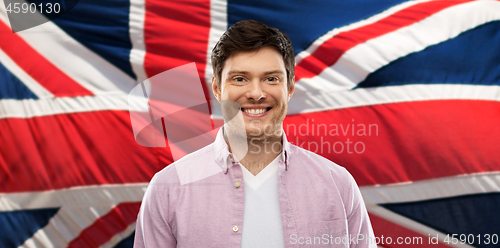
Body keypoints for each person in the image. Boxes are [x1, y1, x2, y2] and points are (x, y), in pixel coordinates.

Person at [134, 20, 375, 247]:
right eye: (240, 79)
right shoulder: (168, 187)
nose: (256, 93)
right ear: (217, 88)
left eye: (271, 78)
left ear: (289, 87)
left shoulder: (338, 184)